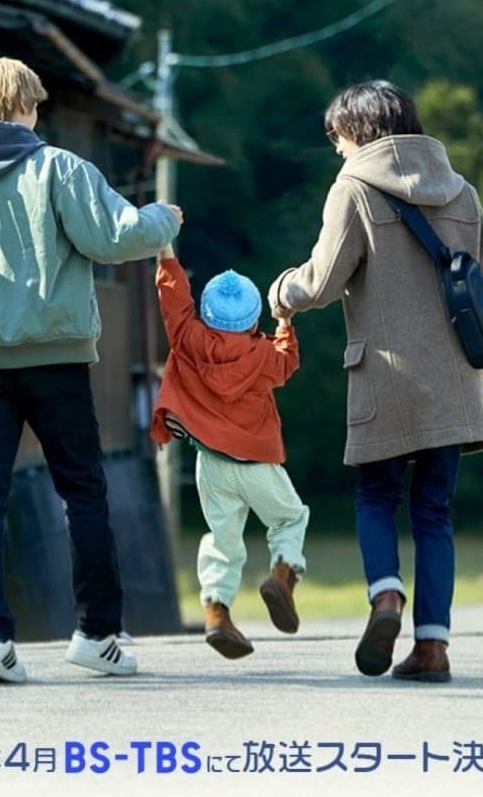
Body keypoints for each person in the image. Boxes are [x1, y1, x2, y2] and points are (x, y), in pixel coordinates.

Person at [0, 57, 182, 684]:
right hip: (58, 357)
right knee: (82, 492)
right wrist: (163, 220)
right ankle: (96, 635)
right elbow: (114, 237)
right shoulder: (60, 169)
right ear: (26, 106)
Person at [268, 80, 483, 682]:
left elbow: (323, 282)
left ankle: (386, 595)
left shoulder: (353, 187)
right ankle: (432, 647)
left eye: (337, 137)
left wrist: (280, 292)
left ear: (357, 131)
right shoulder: (462, 193)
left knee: (376, 496)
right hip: (457, 379)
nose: (335, 150)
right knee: (433, 512)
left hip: (384, 377)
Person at [151, 243, 309, 659]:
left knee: (222, 539)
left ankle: (217, 612)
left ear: (206, 313)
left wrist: (166, 251)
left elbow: (174, 298)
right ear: (252, 318)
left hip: (211, 464)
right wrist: (284, 321)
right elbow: (288, 362)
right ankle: (281, 573)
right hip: (256, 462)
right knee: (290, 518)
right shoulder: (261, 355)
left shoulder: (187, 337)